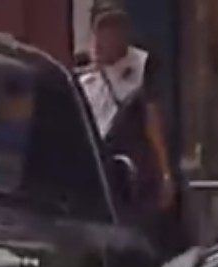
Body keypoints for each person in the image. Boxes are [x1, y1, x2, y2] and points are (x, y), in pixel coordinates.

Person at [76, 1, 178, 248]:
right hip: (96, 166)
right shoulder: (83, 71)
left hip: (134, 172)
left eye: (116, 29)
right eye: (104, 29)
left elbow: (153, 119)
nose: (111, 36)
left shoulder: (142, 65)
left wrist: (165, 174)